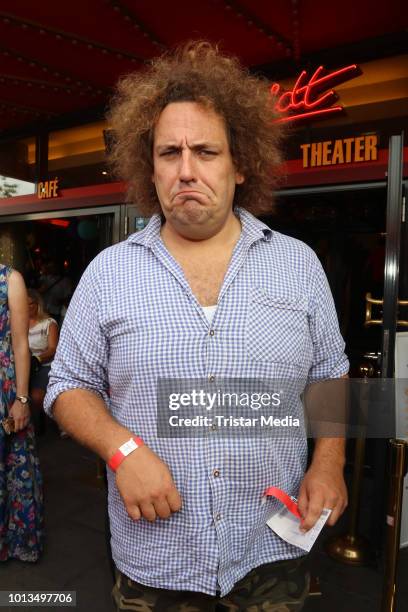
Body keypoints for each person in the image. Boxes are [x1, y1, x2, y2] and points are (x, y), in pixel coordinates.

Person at [44, 42, 349, 610]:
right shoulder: (109, 272)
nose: (186, 170)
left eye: (206, 151)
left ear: (240, 164)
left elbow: (329, 370)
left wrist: (329, 462)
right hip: (155, 560)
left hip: (271, 546)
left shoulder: (297, 264)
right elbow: (66, 386)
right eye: (169, 153)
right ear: (149, 166)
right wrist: (124, 451)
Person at [0, 265, 44, 562]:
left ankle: (11, 541)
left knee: (10, 468)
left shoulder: (9, 280)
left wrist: (23, 398)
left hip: (3, 391)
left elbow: (20, 345)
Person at [28, 289, 58, 435]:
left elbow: (53, 348)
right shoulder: (18, 324)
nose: (27, 307)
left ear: (37, 304)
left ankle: (46, 421)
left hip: (44, 364)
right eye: (24, 304)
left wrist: (37, 359)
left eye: (30, 304)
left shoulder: (48, 323)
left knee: (36, 397)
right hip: (24, 365)